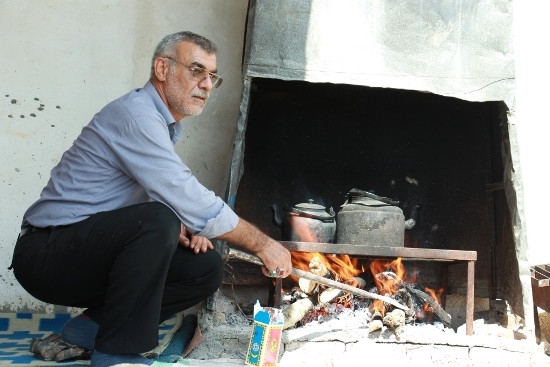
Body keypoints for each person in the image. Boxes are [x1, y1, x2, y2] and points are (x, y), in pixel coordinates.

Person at [9, 31, 292, 367]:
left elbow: (152, 196)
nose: (206, 85)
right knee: (158, 219)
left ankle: (90, 328)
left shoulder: (159, 122)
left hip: (80, 252)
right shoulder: (137, 116)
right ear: (162, 68)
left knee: (204, 268)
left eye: (212, 77)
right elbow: (182, 192)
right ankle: (116, 354)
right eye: (196, 70)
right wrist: (262, 244)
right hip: (45, 256)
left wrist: (183, 225)